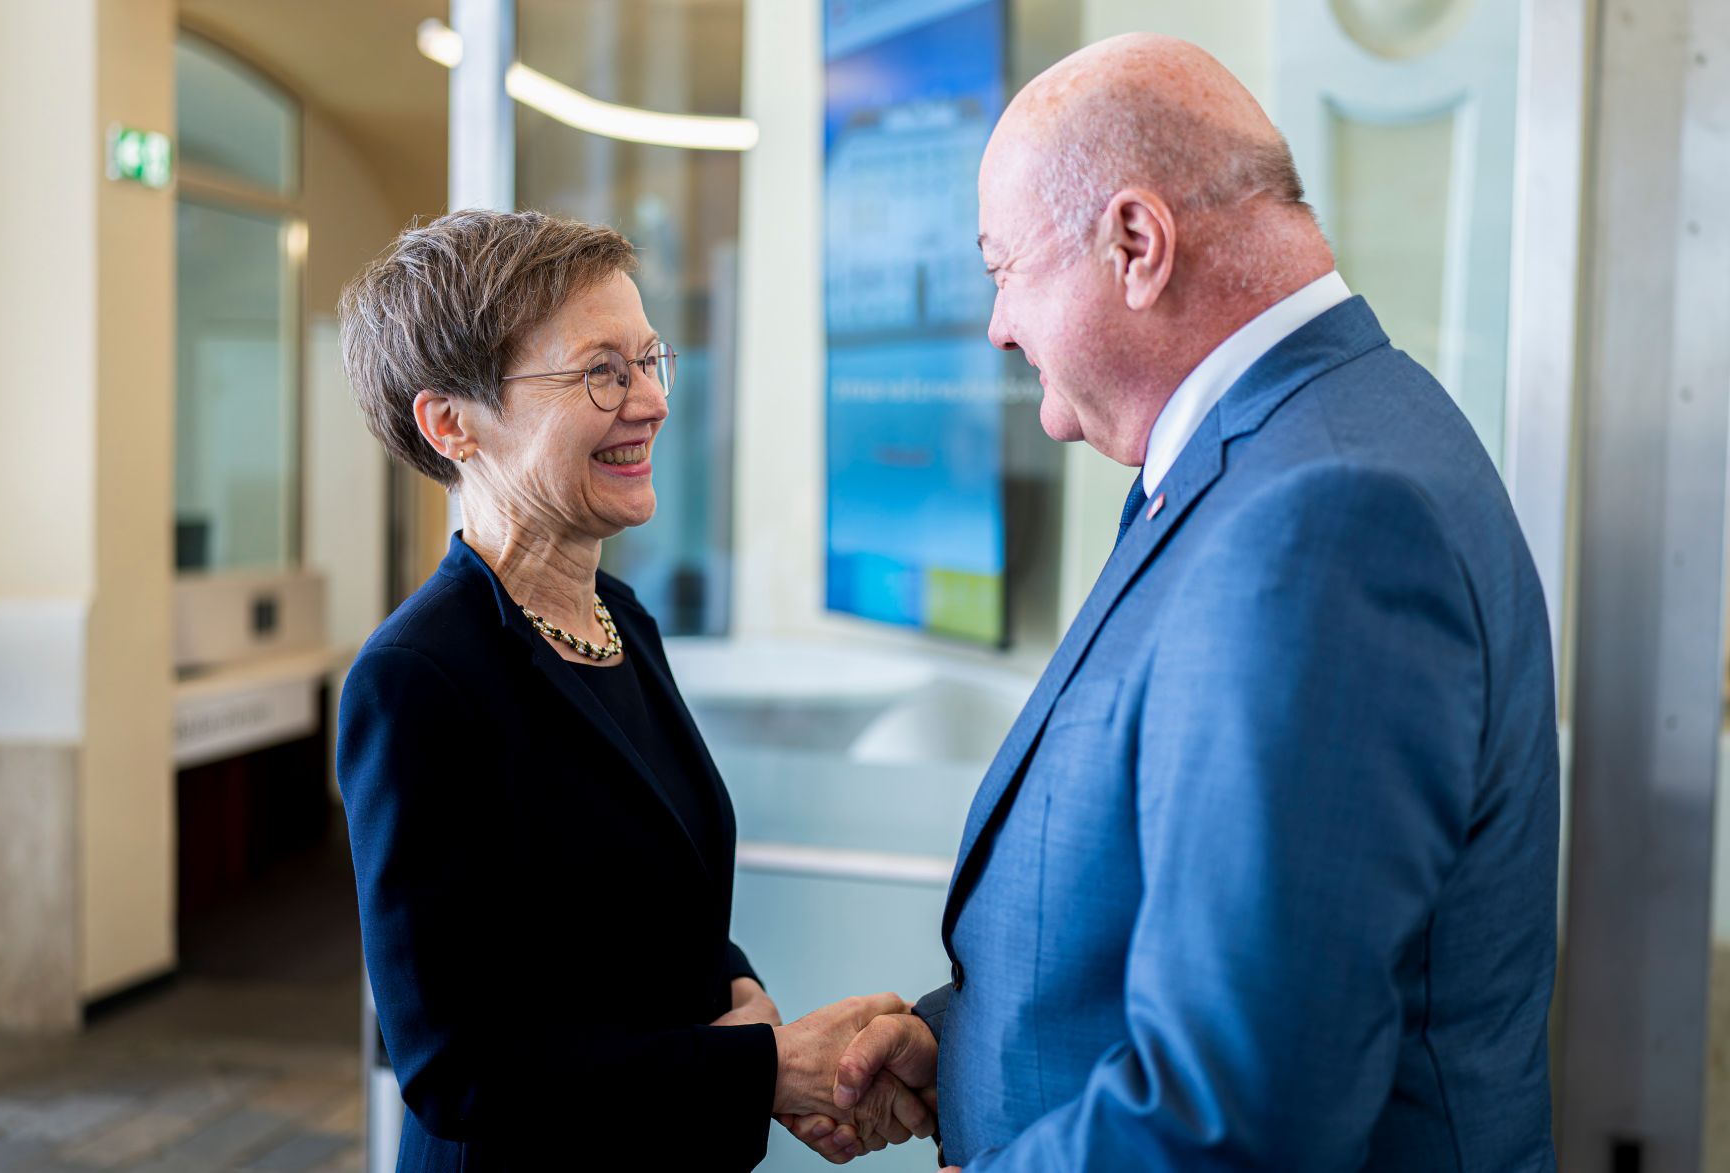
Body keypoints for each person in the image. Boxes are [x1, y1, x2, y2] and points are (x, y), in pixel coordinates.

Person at [793, 33, 1560, 1171]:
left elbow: (1242, 1110)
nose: (996, 325)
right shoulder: (1279, 449)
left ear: (1135, 244)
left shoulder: (1322, 520)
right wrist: (970, 1053)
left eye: (1002, 267)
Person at [335, 210, 934, 1171]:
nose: (650, 400)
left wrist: (750, 1007)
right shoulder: (418, 679)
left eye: (651, 358)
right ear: (452, 423)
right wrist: (764, 1069)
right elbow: (460, 1069)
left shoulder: (620, 618)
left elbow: (652, 909)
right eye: (601, 372)